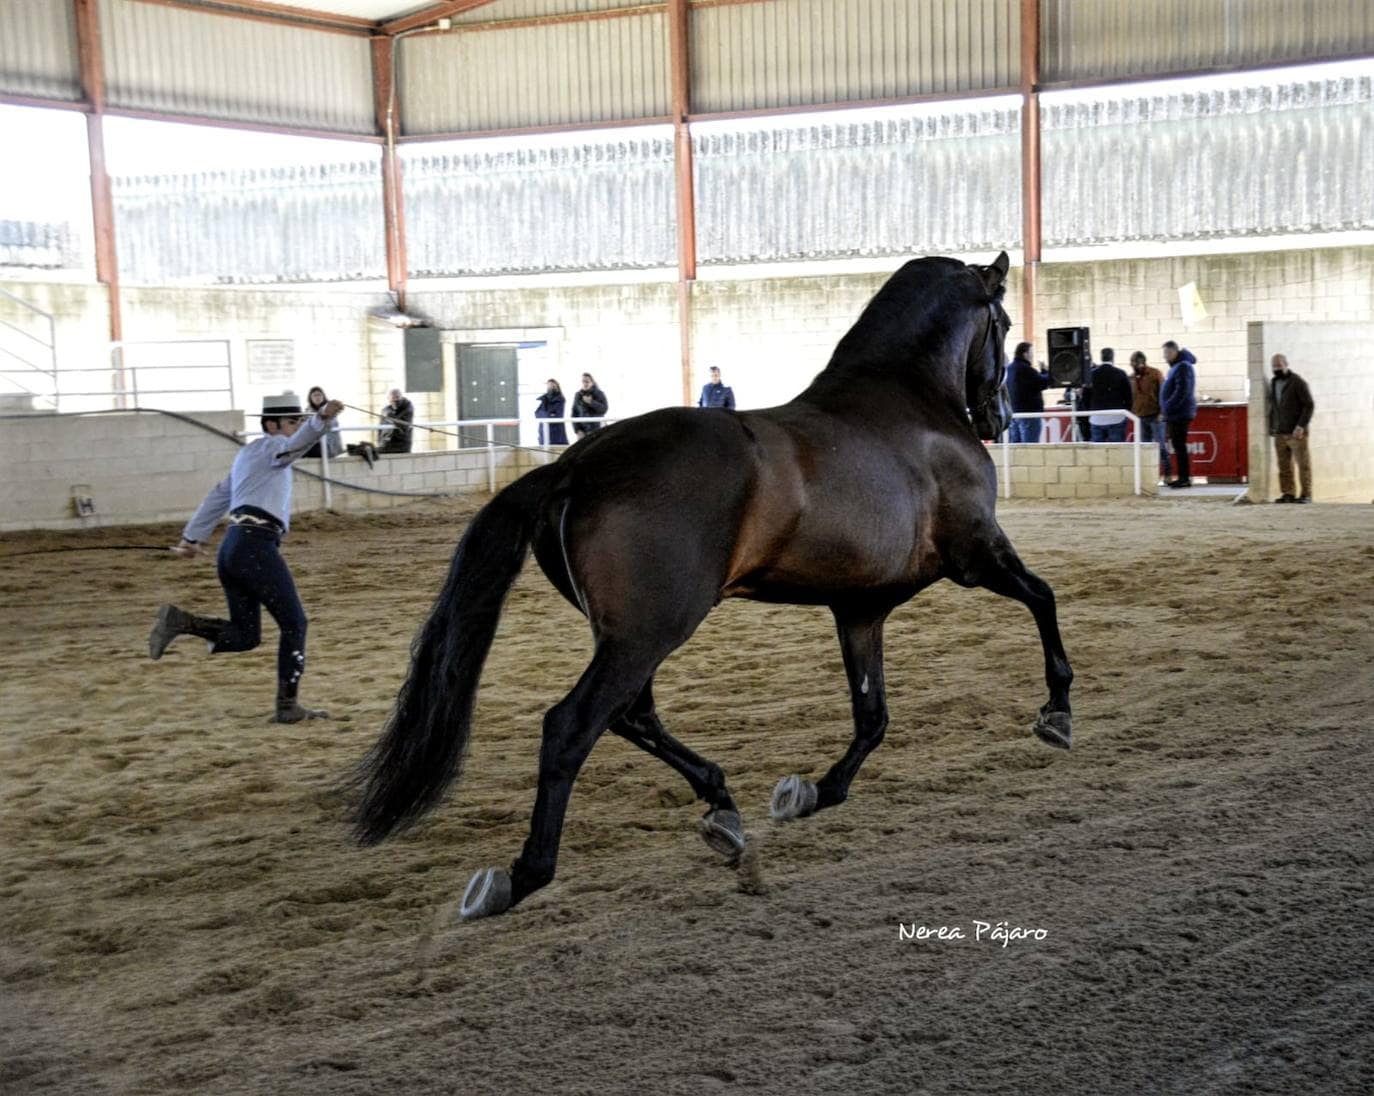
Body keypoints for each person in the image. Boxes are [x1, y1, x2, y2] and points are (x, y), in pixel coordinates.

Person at [147, 391, 343, 723]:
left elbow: (218, 496)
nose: (297, 428)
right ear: (271, 425)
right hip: (256, 546)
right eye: (292, 422)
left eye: (298, 421)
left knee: (246, 635)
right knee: (295, 623)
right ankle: (287, 707)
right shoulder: (271, 448)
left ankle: (180, 622)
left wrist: (192, 538)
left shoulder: (245, 457)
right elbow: (294, 445)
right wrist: (321, 419)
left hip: (232, 549)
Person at [1266, 353, 1315, 503]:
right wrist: (1272, 426)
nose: (1276, 368)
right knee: (1284, 466)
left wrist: (1301, 426)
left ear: (1286, 365)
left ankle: (1306, 494)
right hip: (1280, 432)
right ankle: (1288, 493)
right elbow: (1274, 406)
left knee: (1303, 465)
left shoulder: (1297, 382)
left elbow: (1309, 404)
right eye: (1274, 366)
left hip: (1296, 432)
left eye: (1279, 366)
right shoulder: (1274, 382)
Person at [1160, 340, 1198, 488]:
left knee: (1180, 445)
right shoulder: (1178, 367)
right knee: (1178, 445)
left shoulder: (1182, 367)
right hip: (1176, 413)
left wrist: (1168, 406)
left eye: (1167, 353)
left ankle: (1184, 478)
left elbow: (1182, 391)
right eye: (1164, 354)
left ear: (1174, 351)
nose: (1165, 357)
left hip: (1179, 413)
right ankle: (1183, 477)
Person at [1129, 351, 1167, 478]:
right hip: (1140, 417)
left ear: (1142, 362)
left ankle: (1167, 474)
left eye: (1134, 363)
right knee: (1144, 449)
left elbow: (1164, 394)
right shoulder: (1132, 378)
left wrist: (1162, 412)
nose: (1132, 365)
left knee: (1160, 446)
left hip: (1155, 416)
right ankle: (1147, 477)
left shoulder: (1155, 374)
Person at [1004, 342, 1050, 443]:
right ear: (1025, 354)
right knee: (1030, 447)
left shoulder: (1010, 369)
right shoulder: (1026, 369)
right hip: (1029, 414)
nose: (1033, 356)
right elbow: (1043, 382)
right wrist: (1045, 370)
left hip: (1014, 413)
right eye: (1031, 352)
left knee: (1015, 447)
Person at [1085, 347, 1133, 442]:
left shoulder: (1091, 375)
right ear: (1113, 357)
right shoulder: (1121, 374)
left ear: (1101, 357)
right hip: (1117, 417)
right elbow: (1128, 396)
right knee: (1117, 451)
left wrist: (1090, 411)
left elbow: (1086, 396)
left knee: (1097, 452)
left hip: (1096, 418)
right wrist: (1126, 412)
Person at [302, 385, 343, 460]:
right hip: (314, 443)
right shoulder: (307, 411)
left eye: (319, 395)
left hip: (328, 444)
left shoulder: (329, 408)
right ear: (310, 398)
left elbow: (330, 424)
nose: (317, 397)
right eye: (314, 395)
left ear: (323, 396)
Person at [377, 388, 414, 454]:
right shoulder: (386, 409)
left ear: (401, 397)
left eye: (397, 397)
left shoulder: (408, 408)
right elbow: (380, 429)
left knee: (374, 452)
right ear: (388, 399)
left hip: (401, 445)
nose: (395, 400)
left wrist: (390, 416)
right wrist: (380, 443)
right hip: (386, 443)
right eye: (393, 398)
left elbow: (404, 426)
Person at [571, 372, 608, 437]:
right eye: (583, 381)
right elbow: (574, 413)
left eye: (587, 381)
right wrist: (577, 430)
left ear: (592, 382)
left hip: (597, 430)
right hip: (582, 431)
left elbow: (604, 409)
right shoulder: (578, 395)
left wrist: (591, 402)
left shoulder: (599, 394)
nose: (585, 384)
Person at [534, 379, 568, 446]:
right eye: (548, 385)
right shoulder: (544, 399)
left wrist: (545, 415)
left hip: (556, 435)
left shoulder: (560, 399)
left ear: (557, 386)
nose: (550, 387)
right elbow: (537, 413)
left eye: (552, 385)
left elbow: (557, 416)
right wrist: (548, 414)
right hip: (543, 433)